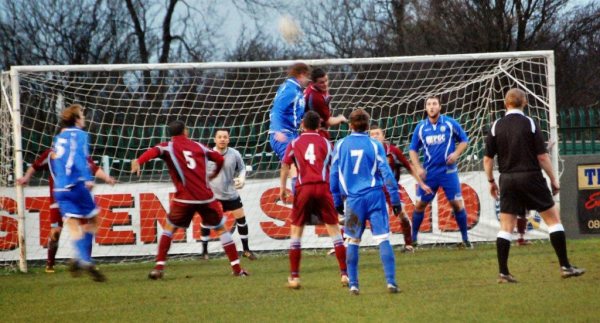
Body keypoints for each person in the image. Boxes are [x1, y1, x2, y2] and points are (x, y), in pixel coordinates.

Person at [483, 88, 585, 283]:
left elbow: (487, 159)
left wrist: (490, 181)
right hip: (530, 176)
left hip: (507, 179)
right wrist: (553, 179)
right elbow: (542, 156)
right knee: (553, 220)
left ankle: (503, 272)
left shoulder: (496, 125)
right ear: (525, 103)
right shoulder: (529, 123)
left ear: (506, 104)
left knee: (506, 227)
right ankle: (565, 266)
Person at [131, 120, 248, 279]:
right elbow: (219, 159)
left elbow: (153, 151)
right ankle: (237, 270)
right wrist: (214, 174)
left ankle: (158, 268)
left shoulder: (168, 146)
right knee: (221, 229)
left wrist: (139, 161)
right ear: (185, 131)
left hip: (184, 199)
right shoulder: (199, 146)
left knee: (169, 229)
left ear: (171, 134)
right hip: (206, 197)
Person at [330, 108, 402, 295]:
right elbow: (387, 173)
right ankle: (391, 282)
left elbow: (333, 174)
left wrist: (337, 200)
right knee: (383, 238)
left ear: (351, 125)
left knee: (353, 240)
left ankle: (353, 284)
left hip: (354, 201)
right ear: (367, 126)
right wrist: (394, 199)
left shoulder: (340, 145)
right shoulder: (375, 145)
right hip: (375, 197)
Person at [17, 147, 116, 273]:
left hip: (77, 199)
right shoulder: (50, 154)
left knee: (86, 227)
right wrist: (26, 177)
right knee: (56, 233)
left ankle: (86, 261)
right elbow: (35, 166)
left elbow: (93, 168)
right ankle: (50, 263)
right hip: (57, 201)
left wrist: (106, 178)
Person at [279, 111, 348, 289]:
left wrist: (282, 188)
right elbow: (335, 166)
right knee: (334, 231)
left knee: (296, 233)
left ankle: (294, 278)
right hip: (323, 188)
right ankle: (344, 274)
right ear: (318, 126)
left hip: (304, 188)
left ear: (302, 124)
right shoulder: (326, 142)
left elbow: (285, 164)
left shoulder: (295, 142)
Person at [49, 104, 106, 282]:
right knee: (94, 219)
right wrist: (88, 178)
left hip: (59, 188)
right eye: (82, 114)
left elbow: (59, 161)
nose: (84, 117)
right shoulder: (81, 135)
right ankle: (84, 259)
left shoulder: (57, 139)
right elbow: (81, 158)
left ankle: (81, 258)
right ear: (76, 119)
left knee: (73, 225)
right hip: (76, 184)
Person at [408, 96, 471, 248]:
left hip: (448, 172)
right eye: (429, 104)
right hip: (429, 173)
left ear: (440, 107)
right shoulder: (421, 127)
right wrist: (417, 167)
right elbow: (412, 150)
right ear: (425, 108)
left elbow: (464, 140)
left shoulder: (449, 123)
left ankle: (465, 240)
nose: (431, 107)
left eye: (434, 104)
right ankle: (413, 240)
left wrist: (456, 154)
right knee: (420, 205)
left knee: (456, 204)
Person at [369, 124, 432, 252]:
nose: (375, 136)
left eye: (377, 134)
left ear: (383, 136)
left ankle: (409, 244)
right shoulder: (366, 152)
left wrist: (421, 184)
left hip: (391, 188)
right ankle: (344, 246)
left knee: (402, 213)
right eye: (372, 134)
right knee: (358, 216)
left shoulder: (393, 151)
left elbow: (409, 167)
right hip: (373, 189)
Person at [200, 129, 257, 260]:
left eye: (225, 137)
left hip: (231, 194)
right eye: (219, 137)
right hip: (214, 196)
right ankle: (204, 252)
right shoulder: (207, 155)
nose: (222, 139)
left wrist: (242, 178)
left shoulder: (234, 154)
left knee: (241, 219)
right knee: (206, 221)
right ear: (215, 139)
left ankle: (246, 250)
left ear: (228, 139)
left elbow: (242, 168)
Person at [268, 62, 311, 194]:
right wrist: (278, 130)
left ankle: (297, 195)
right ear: (301, 74)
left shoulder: (297, 90)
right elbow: (276, 110)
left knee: (300, 164)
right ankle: (300, 198)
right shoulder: (289, 89)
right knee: (294, 164)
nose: (308, 80)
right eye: (307, 77)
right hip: (283, 133)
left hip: (292, 133)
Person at [304, 68, 347, 139]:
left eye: (326, 80)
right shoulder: (316, 98)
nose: (325, 84)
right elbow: (328, 122)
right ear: (314, 83)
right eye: (321, 82)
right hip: (317, 133)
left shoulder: (315, 88)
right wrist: (340, 118)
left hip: (311, 130)